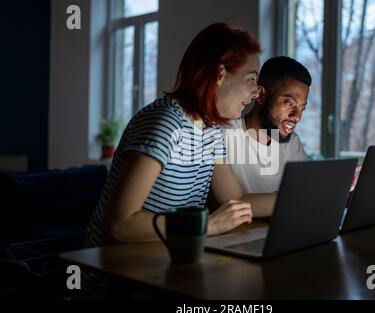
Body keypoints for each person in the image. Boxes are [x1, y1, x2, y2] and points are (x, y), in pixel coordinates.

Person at [83, 23, 277, 289]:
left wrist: (295, 202)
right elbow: (119, 225)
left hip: (163, 269)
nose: (257, 93)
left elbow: (236, 199)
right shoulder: (166, 123)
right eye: (251, 79)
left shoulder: (210, 129)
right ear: (219, 74)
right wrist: (208, 225)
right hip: (111, 282)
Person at [221, 56, 312, 193]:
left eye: (302, 108)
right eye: (289, 104)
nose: (297, 117)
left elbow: (310, 189)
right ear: (261, 95)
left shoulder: (293, 143)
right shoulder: (223, 134)